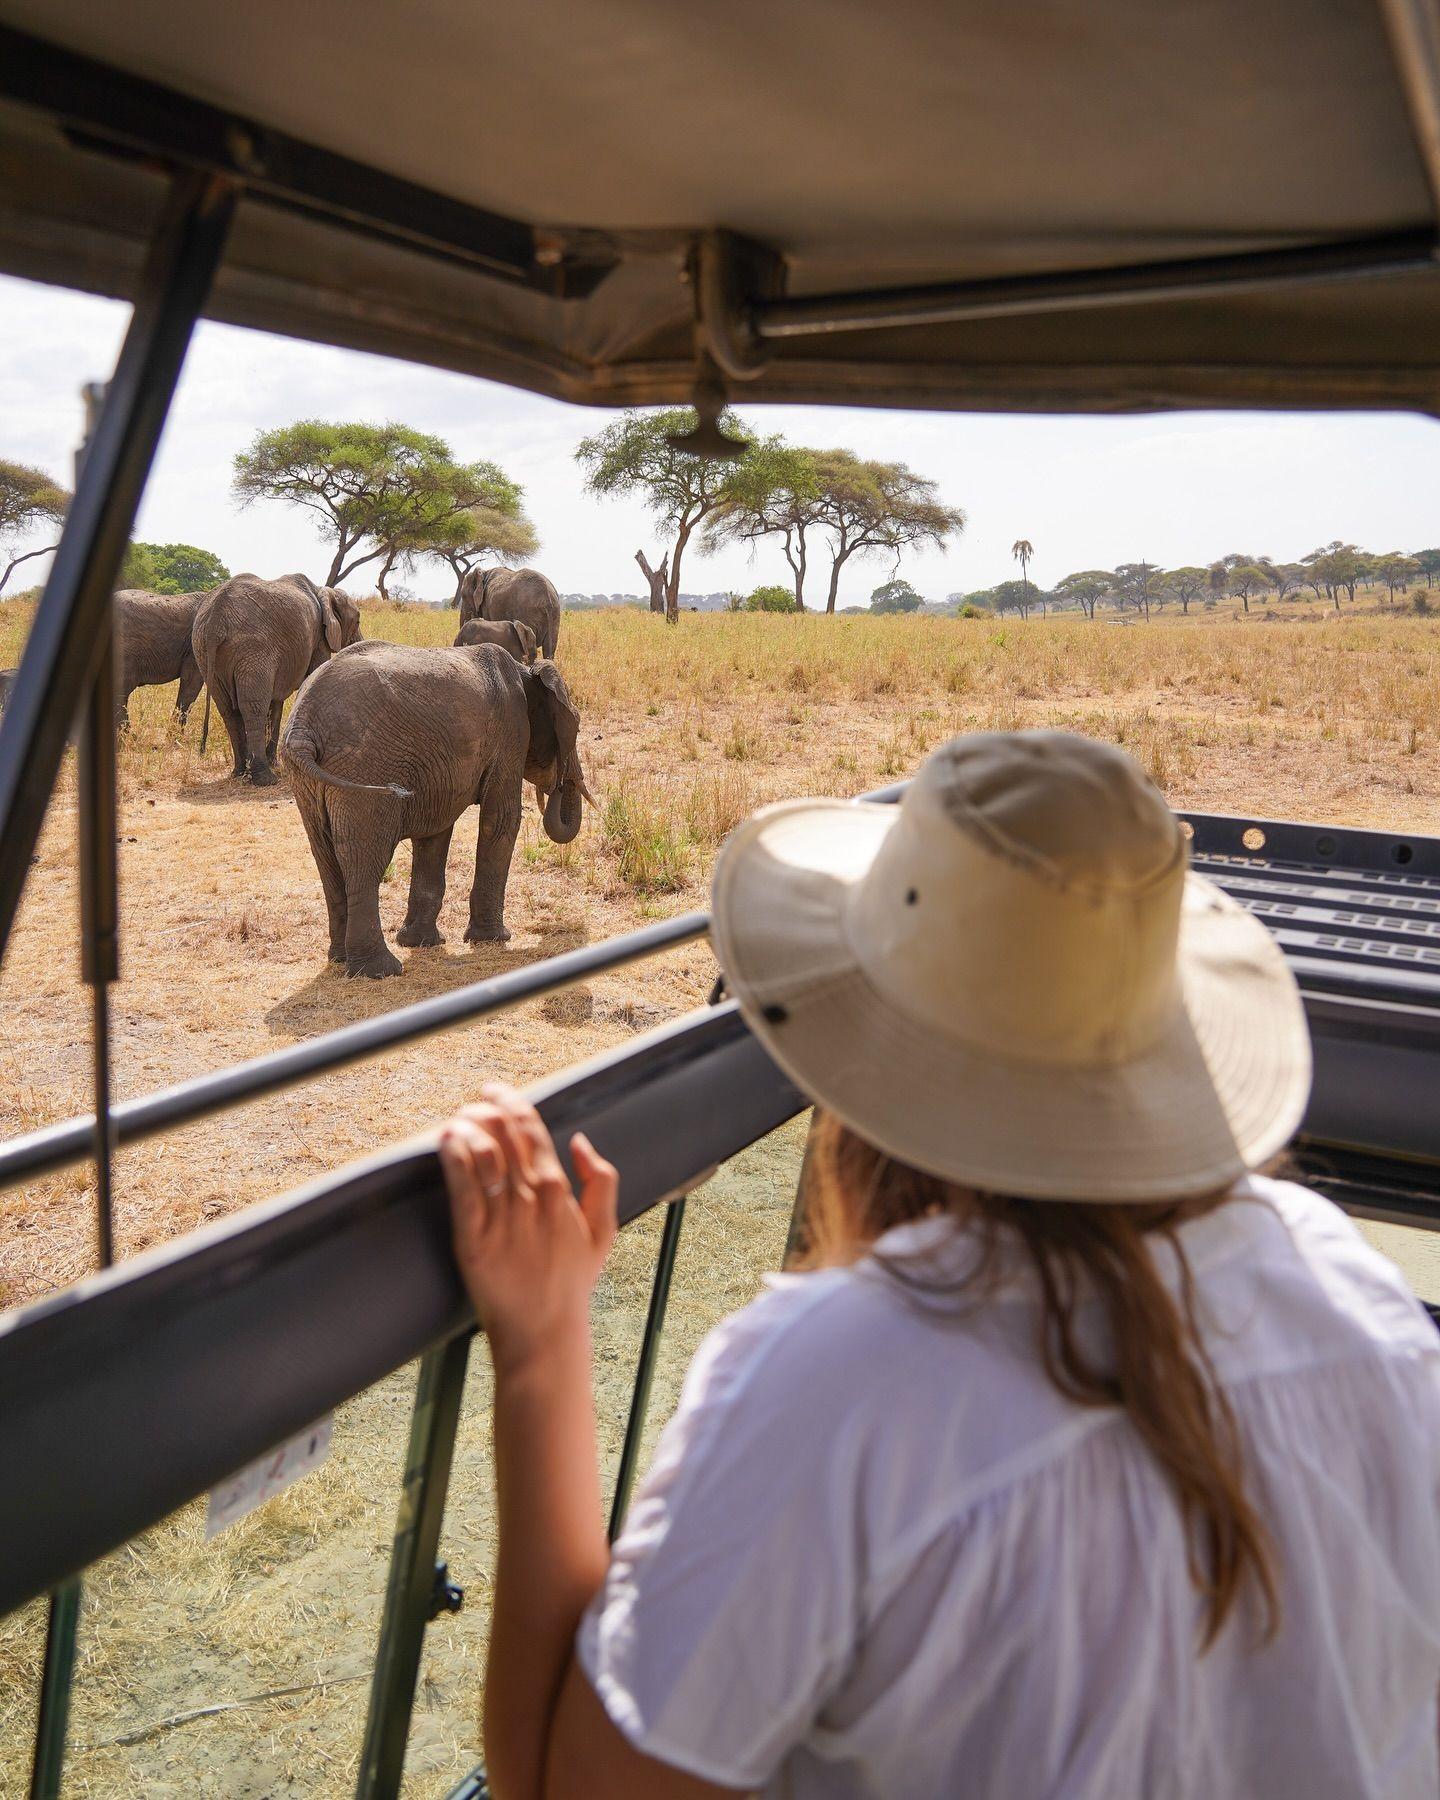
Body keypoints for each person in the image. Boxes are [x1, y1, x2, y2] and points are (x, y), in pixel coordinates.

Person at [439, 731, 1440, 1800]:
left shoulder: (844, 1378)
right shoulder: (1360, 1294)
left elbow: (567, 1788)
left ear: (866, 1040)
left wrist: (542, 1348)